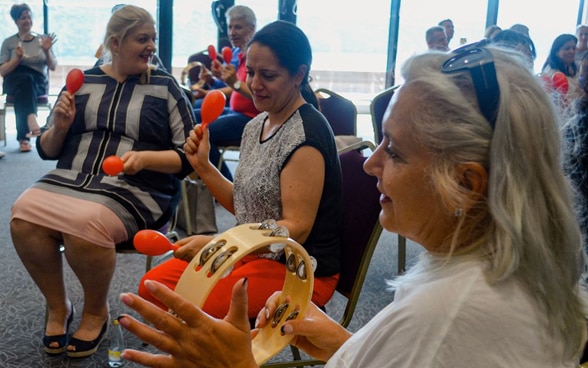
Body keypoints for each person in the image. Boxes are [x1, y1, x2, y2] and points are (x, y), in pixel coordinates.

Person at [117, 43, 587, 367]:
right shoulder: (492, 272)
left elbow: (435, 340)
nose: (369, 164)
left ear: (465, 184)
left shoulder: (445, 315)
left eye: (395, 150)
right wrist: (346, 344)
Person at [9, 4, 195, 359]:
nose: (151, 46)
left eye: (153, 39)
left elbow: (188, 157)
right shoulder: (84, 82)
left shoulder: (166, 87)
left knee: (85, 224)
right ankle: (58, 305)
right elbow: (47, 149)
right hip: (69, 177)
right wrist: (60, 127)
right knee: (23, 216)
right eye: (142, 39)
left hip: (139, 189)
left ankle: (96, 310)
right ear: (115, 42)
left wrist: (144, 159)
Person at [136, 20, 342, 322]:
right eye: (251, 72)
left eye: (268, 75)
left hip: (297, 269)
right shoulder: (256, 124)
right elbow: (247, 206)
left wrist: (221, 244)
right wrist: (203, 167)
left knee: (190, 305)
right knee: (153, 287)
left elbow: (296, 228)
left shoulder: (305, 136)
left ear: (299, 74)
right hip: (254, 253)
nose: (254, 84)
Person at [193, 4, 260, 181]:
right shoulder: (240, 53)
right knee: (189, 117)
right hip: (234, 111)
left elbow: (255, 92)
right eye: (230, 27)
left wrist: (233, 83)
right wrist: (213, 81)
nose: (232, 32)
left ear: (252, 28)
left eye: (238, 27)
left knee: (202, 134)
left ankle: (226, 184)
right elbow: (233, 86)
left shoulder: (256, 56)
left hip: (251, 118)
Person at [0, 3, 57, 152]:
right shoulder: (9, 42)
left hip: (36, 83)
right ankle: (31, 118)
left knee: (26, 83)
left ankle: (23, 139)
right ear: (16, 21)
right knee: (24, 80)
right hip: (14, 79)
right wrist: (16, 59)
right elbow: (3, 71)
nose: (27, 20)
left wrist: (47, 50)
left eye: (29, 17)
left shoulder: (42, 40)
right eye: (23, 18)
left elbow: (53, 66)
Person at [542, 33, 581, 100]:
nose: (572, 51)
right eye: (567, 48)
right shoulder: (550, 72)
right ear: (556, 52)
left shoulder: (575, 67)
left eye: (574, 48)